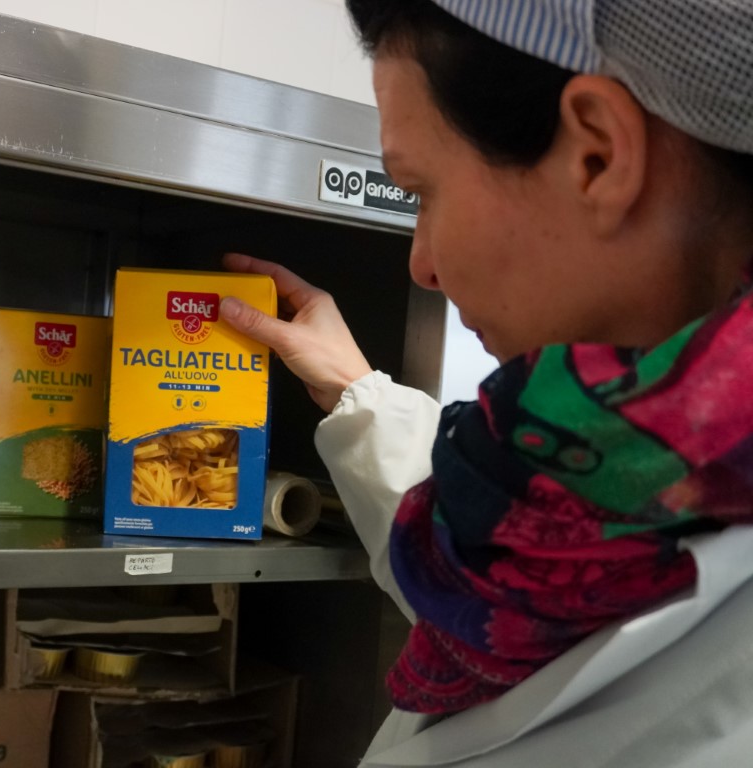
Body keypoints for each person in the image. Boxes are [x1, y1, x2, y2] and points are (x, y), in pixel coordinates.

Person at [220, 1, 753, 766]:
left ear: (598, 154)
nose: (421, 265)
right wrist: (355, 391)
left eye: (421, 192)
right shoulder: (625, 486)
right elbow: (514, 560)